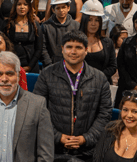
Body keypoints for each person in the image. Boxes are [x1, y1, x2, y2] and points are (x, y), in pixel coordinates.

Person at [33, 30, 113, 161]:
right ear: (62, 49)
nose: (73, 52)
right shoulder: (47, 75)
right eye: (69, 47)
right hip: (53, 149)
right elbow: (38, 110)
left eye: (78, 48)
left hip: (88, 151)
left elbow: (105, 113)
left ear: (86, 50)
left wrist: (86, 138)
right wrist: (58, 136)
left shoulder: (99, 78)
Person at [91, 90, 137, 162]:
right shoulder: (110, 129)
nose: (128, 115)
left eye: (135, 111)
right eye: (125, 110)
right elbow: (96, 159)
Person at [4, 0, 42, 72]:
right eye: (19, 4)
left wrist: (29, 67)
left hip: (31, 67)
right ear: (14, 6)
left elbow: (39, 49)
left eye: (25, 4)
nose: (22, 7)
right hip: (11, 67)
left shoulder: (35, 25)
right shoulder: (6, 24)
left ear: (29, 7)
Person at [79, 0, 117, 80]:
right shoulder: (76, 41)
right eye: (90, 20)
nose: (93, 23)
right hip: (80, 83)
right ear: (84, 20)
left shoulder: (107, 42)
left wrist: (98, 77)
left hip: (103, 83)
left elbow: (113, 66)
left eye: (97, 20)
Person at [40, 0, 81, 65]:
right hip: (51, 67)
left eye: (63, 7)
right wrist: (49, 65)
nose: (61, 10)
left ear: (68, 8)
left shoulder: (76, 26)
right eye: (58, 8)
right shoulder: (46, 26)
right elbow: (43, 48)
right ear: (53, 10)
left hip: (72, 65)